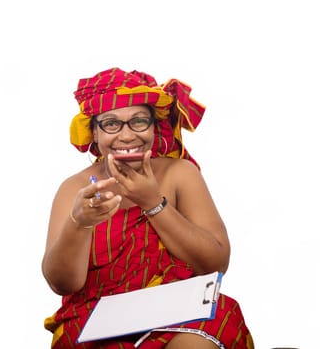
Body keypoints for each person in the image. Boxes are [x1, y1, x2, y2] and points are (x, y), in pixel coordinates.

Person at [41, 67, 255, 349]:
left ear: (154, 126)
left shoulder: (179, 174)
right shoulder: (75, 189)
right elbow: (63, 284)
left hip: (178, 313)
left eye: (139, 121)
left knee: (209, 330)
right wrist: (79, 223)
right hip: (96, 320)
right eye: (111, 124)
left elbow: (215, 264)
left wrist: (153, 203)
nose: (127, 136)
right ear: (94, 132)